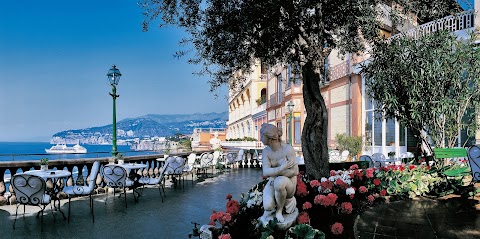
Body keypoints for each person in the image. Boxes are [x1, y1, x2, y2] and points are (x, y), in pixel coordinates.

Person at [259, 123, 298, 223]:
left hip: (289, 184)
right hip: (274, 180)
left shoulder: (288, 149)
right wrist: (281, 168)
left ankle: (279, 211)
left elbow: (295, 171)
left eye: (262, 136)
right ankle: (272, 209)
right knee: (268, 206)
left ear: (270, 138)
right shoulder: (266, 152)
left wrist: (276, 174)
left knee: (279, 182)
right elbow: (266, 171)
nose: (260, 139)